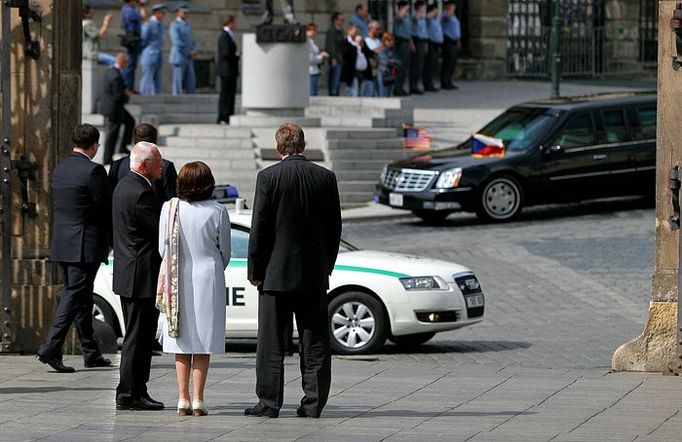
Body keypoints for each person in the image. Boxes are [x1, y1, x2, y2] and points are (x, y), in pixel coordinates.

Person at [245, 123, 342, 419]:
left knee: (272, 344)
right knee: (315, 343)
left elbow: (260, 229)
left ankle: (269, 402)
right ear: (304, 144)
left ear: (278, 148)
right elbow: (334, 228)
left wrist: (255, 270)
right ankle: (313, 403)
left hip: (276, 274)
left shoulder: (268, 177)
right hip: (313, 274)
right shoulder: (325, 177)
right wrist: (326, 265)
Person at [36, 124, 113, 373]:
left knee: (81, 297)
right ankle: (51, 347)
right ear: (94, 146)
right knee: (73, 295)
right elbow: (104, 209)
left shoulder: (60, 169)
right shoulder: (94, 171)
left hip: (63, 242)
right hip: (85, 244)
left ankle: (90, 351)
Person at [158, 162, 231, 416]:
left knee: (181, 339)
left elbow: (162, 248)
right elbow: (226, 252)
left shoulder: (169, 208)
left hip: (178, 277)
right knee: (203, 340)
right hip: (208, 276)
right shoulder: (218, 210)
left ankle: (182, 398)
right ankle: (199, 398)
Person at [113, 142, 165, 411]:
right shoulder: (141, 192)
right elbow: (158, 230)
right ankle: (129, 393)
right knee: (138, 337)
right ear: (144, 164)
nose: (162, 167)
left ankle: (135, 390)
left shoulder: (124, 184)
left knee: (139, 336)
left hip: (129, 272)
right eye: (158, 162)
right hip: (140, 275)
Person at [109, 123, 177, 203]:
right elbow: (172, 202)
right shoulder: (166, 167)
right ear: (156, 141)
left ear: (134, 141)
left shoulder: (117, 165)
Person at [100, 52, 135, 166]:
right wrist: (127, 96)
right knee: (112, 134)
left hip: (112, 107)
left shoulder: (110, 71)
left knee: (130, 121)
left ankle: (123, 146)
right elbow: (118, 95)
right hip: (114, 109)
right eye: (126, 62)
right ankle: (107, 158)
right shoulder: (116, 76)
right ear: (122, 62)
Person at [216, 16, 240, 124]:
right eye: (234, 22)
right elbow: (225, 52)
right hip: (226, 69)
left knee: (231, 93)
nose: (235, 25)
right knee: (225, 94)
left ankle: (229, 115)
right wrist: (236, 56)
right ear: (230, 22)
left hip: (231, 70)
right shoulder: (224, 35)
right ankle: (223, 116)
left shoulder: (229, 35)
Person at [169, 5, 197, 95]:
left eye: (187, 13)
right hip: (180, 57)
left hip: (189, 57)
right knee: (178, 81)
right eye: (183, 12)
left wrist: (194, 50)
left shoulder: (187, 25)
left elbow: (192, 40)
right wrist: (187, 52)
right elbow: (177, 42)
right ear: (177, 13)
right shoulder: (175, 25)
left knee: (191, 80)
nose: (185, 14)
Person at [139, 4, 166, 95]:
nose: (163, 15)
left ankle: (156, 95)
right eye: (162, 13)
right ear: (156, 13)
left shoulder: (161, 24)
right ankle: (146, 94)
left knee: (157, 77)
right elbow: (143, 39)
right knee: (148, 76)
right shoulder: (149, 24)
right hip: (149, 53)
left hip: (158, 54)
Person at [120, 0, 147, 90]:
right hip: (132, 38)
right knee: (131, 64)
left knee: (132, 64)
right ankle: (127, 87)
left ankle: (130, 87)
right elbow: (143, 17)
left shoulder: (129, 9)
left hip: (134, 38)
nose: (136, 2)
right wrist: (142, 5)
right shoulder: (129, 10)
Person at [340, 24, 369, 97]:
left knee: (362, 92)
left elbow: (368, 53)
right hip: (351, 71)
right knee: (353, 92)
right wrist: (356, 45)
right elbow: (346, 53)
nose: (356, 33)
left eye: (357, 32)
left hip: (362, 71)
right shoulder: (345, 41)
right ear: (349, 31)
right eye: (355, 31)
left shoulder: (361, 42)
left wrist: (361, 44)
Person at [392, 1, 412, 96]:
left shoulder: (407, 17)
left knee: (404, 67)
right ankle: (397, 88)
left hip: (406, 42)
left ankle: (400, 87)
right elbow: (399, 16)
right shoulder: (398, 16)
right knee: (399, 66)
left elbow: (409, 32)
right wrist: (403, 7)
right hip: (401, 43)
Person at [441, 1, 461, 90]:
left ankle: (449, 81)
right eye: (452, 5)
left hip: (454, 41)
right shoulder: (445, 14)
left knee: (452, 63)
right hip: (448, 41)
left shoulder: (454, 17)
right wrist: (450, 10)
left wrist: (458, 41)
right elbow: (447, 17)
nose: (454, 7)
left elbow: (456, 30)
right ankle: (444, 82)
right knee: (447, 62)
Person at [324, 12, 345, 96]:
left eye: (343, 20)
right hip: (335, 59)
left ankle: (335, 93)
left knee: (337, 80)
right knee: (334, 80)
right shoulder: (332, 31)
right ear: (335, 20)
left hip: (340, 59)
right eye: (341, 20)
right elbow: (330, 45)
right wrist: (332, 58)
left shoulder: (340, 31)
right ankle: (333, 94)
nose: (342, 22)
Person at [410, 0, 428, 95]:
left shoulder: (423, 17)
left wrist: (425, 44)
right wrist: (419, 11)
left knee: (420, 65)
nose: (425, 8)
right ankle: (413, 85)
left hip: (422, 41)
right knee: (416, 65)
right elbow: (415, 19)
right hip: (416, 41)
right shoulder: (415, 15)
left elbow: (424, 31)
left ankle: (416, 84)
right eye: (424, 6)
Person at [424, 3, 443, 92]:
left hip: (436, 44)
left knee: (433, 65)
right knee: (429, 65)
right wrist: (434, 11)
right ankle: (428, 84)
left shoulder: (435, 20)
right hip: (430, 43)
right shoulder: (429, 19)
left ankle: (430, 83)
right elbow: (427, 17)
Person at [307, 23, 328, 96]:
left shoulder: (311, 41)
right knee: (312, 94)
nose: (316, 33)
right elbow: (310, 58)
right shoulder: (307, 42)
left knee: (314, 93)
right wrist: (321, 57)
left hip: (314, 71)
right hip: (310, 71)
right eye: (315, 31)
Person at [364, 20, 383, 96]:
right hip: (371, 69)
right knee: (369, 90)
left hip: (379, 68)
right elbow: (373, 52)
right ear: (370, 28)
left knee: (379, 90)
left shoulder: (377, 41)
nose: (378, 31)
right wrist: (381, 47)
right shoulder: (366, 40)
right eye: (377, 29)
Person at [378, 32, 400, 96]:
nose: (391, 42)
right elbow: (384, 61)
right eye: (389, 40)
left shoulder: (392, 50)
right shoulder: (382, 50)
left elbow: (399, 62)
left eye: (392, 40)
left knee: (389, 94)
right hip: (384, 74)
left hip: (392, 74)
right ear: (384, 41)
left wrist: (393, 62)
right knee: (383, 93)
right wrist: (392, 61)